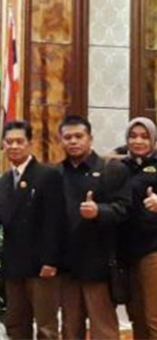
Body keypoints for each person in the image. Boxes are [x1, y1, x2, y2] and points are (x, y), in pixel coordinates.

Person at [0, 121, 63, 340]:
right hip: (14, 263)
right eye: (9, 142)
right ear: (3, 145)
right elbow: (7, 218)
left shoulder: (47, 175)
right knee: (16, 324)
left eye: (19, 141)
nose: (14, 146)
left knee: (46, 326)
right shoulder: (4, 180)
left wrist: (50, 260)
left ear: (30, 143)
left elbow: (54, 221)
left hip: (41, 264)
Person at [57, 114, 129, 340]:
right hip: (67, 266)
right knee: (70, 329)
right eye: (68, 137)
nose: (73, 141)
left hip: (99, 264)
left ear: (90, 138)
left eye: (79, 136)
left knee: (103, 330)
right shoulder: (56, 173)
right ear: (61, 141)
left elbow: (124, 209)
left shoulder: (111, 169)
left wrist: (99, 211)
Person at [118, 117, 157, 340]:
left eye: (144, 136)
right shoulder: (121, 166)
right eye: (133, 136)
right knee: (137, 316)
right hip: (127, 251)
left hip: (153, 249)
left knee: (154, 317)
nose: (138, 141)